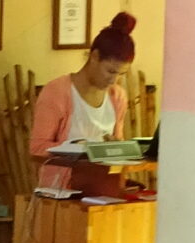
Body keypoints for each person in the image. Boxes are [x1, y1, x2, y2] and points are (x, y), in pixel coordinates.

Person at [29, 12, 136, 188]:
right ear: (94, 57)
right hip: (62, 190)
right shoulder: (57, 92)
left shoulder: (117, 97)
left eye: (121, 74)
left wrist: (117, 147)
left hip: (104, 188)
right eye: (110, 71)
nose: (113, 80)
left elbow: (117, 145)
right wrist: (76, 148)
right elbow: (37, 149)